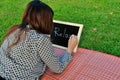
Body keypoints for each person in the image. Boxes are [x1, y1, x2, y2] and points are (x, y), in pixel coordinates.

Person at [0, 0, 78, 80]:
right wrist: (69, 50)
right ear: (45, 21)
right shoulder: (40, 40)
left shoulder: (15, 30)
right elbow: (57, 68)